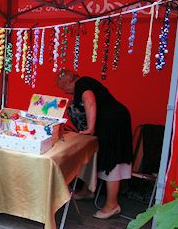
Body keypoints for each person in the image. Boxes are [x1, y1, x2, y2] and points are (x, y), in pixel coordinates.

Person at [56, 70, 133, 219]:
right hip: (109, 122)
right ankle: (87, 190)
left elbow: (89, 101)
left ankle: (112, 205)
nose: (65, 92)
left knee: (111, 160)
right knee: (95, 155)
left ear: (67, 83)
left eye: (63, 88)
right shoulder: (84, 84)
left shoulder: (82, 83)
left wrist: (90, 128)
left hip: (114, 123)